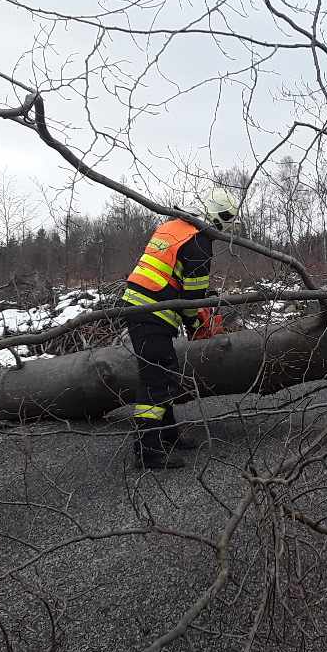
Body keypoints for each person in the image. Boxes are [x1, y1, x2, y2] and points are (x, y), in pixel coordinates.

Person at [120, 186, 240, 469]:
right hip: (152, 310)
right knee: (157, 379)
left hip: (142, 306)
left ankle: (168, 435)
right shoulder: (199, 240)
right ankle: (148, 451)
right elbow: (192, 299)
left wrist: (194, 315)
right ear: (220, 218)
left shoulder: (175, 226)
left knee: (162, 373)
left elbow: (182, 283)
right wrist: (197, 324)